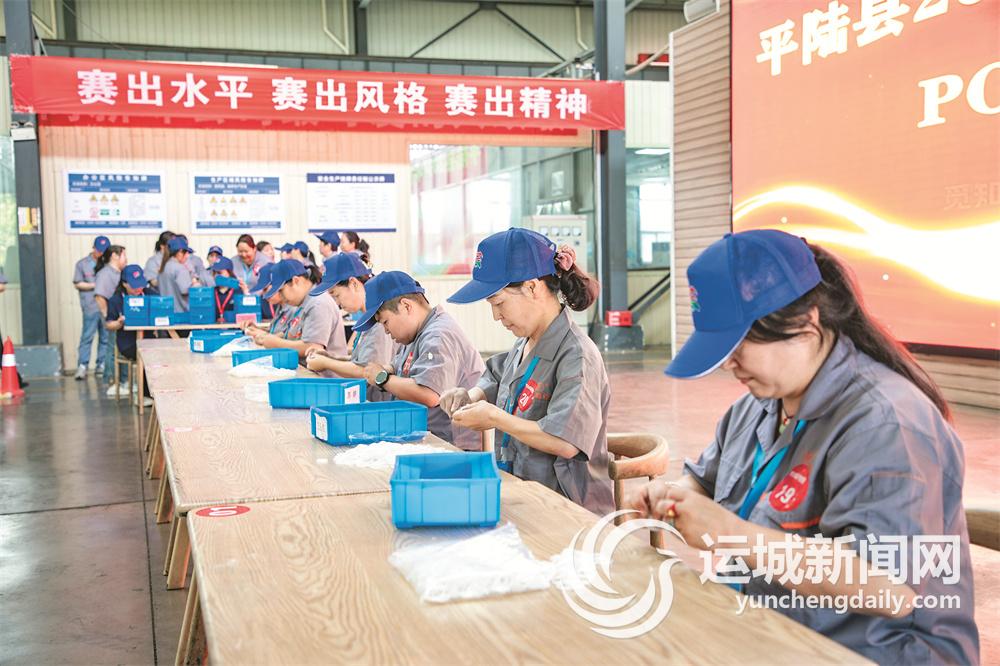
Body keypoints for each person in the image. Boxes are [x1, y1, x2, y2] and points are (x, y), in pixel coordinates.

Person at [624, 230, 979, 664]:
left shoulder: (884, 423)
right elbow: (706, 481)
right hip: (768, 630)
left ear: (807, 323)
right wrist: (673, 497)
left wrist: (731, 534)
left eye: (739, 344)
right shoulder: (756, 406)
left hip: (872, 652)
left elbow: (890, 587)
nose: (729, 363)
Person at [439, 228, 613, 513]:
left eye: (499, 303)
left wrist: (495, 417)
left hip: (568, 511)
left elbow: (565, 442)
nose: (496, 316)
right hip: (524, 497)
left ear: (532, 287)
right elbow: (498, 375)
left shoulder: (577, 355)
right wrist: (471, 395)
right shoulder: (526, 342)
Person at [353, 271, 485, 451]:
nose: (386, 331)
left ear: (406, 306)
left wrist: (382, 378)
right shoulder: (415, 334)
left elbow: (429, 394)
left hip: (453, 447)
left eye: (385, 322)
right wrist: (386, 370)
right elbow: (398, 366)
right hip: (429, 438)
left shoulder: (438, 335)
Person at [305, 253, 395, 399]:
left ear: (353, 283)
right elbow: (360, 360)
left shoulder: (379, 318)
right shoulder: (367, 317)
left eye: (336, 295)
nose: (337, 303)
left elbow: (367, 370)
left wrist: (326, 363)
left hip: (378, 404)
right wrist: (330, 357)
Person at [245, 259, 348, 360]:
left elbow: (312, 347)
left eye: (281, 291)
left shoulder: (318, 303)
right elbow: (290, 335)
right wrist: (265, 336)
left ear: (296, 281)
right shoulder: (303, 303)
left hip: (323, 371)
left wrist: (276, 343)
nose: (280, 296)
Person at [104, 264, 156, 407]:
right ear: (124, 284)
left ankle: (157, 393)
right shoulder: (116, 300)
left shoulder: (150, 295)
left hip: (149, 340)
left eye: (140, 284)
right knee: (146, 354)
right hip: (128, 343)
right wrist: (119, 322)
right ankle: (143, 395)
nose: (138, 289)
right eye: (134, 286)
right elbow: (109, 324)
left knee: (159, 352)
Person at [72, 235, 111, 380]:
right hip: (90, 306)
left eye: (104, 251)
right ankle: (82, 366)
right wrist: (95, 285)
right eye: (99, 250)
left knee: (105, 338)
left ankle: (101, 365)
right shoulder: (82, 264)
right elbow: (78, 283)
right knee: (87, 337)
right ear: (93, 248)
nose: (101, 253)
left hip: (105, 307)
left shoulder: (108, 265)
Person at [94, 244, 128, 385]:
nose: (126, 259)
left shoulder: (119, 273)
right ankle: (111, 380)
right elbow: (99, 296)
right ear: (114, 256)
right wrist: (108, 316)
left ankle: (122, 380)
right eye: (124, 255)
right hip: (113, 318)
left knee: (118, 348)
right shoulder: (105, 274)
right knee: (112, 349)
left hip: (120, 318)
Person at [158, 236, 200, 313]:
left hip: (165, 312)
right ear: (180, 252)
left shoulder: (163, 267)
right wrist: (196, 284)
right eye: (186, 252)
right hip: (180, 314)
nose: (187, 256)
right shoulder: (180, 268)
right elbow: (185, 290)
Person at [207, 256, 246, 323]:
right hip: (215, 328)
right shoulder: (210, 292)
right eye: (214, 272)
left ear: (229, 273)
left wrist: (246, 293)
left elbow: (246, 313)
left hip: (233, 327)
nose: (216, 276)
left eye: (219, 273)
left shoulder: (238, 291)